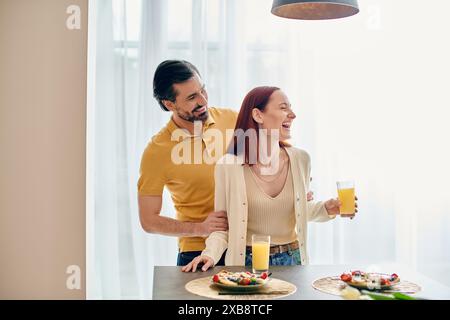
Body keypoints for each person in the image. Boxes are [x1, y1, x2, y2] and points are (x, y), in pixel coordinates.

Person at [182, 86, 358, 272]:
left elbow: (298, 211)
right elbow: (222, 225)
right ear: (258, 115)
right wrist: (209, 255)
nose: (292, 115)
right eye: (283, 108)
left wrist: (327, 208)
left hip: (293, 261)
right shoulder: (228, 166)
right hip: (247, 264)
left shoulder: (301, 160)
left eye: (290, 108)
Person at [137, 60, 238, 266]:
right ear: (170, 104)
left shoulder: (233, 120)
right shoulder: (157, 151)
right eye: (192, 97)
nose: (203, 101)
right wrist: (200, 228)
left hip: (242, 246)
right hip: (196, 253)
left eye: (203, 90)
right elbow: (148, 220)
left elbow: (270, 159)